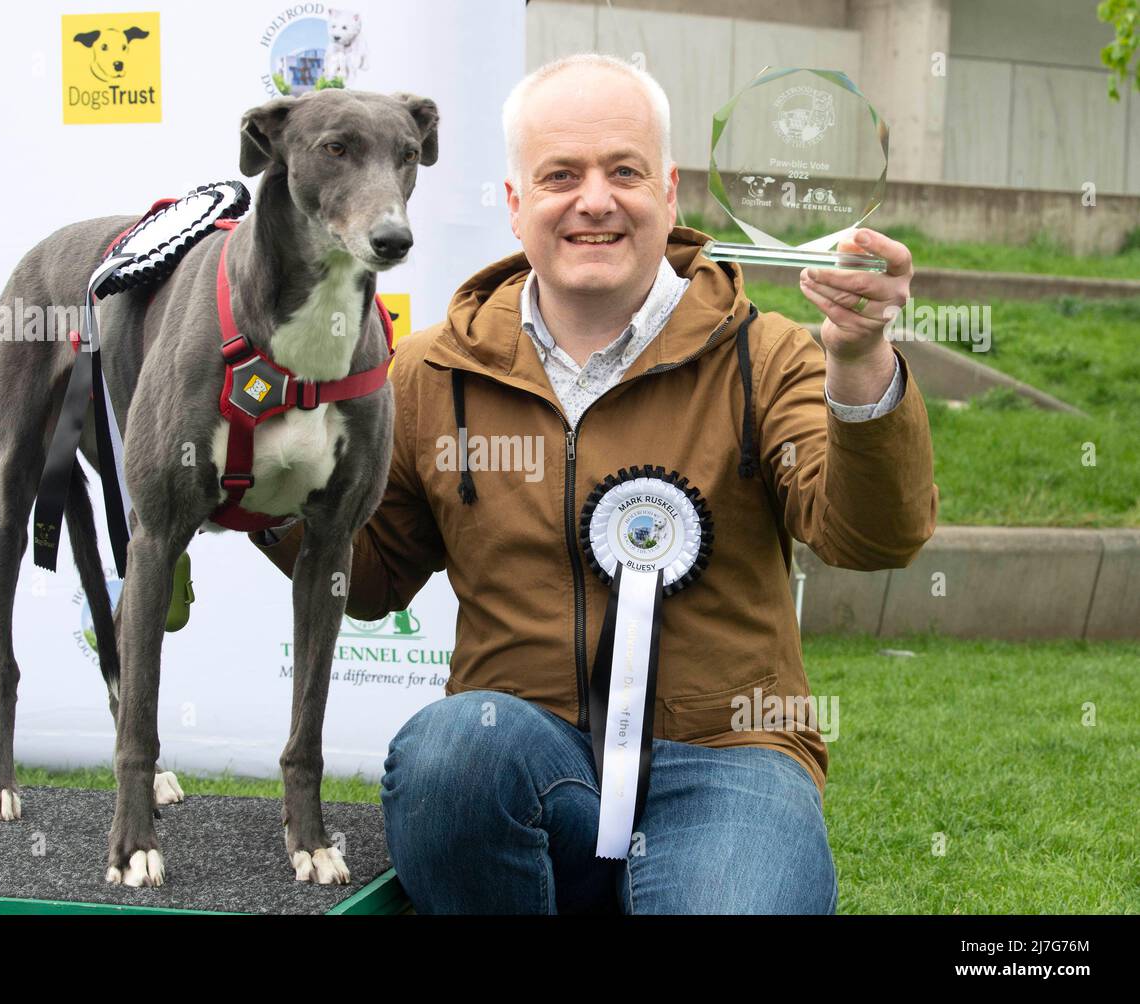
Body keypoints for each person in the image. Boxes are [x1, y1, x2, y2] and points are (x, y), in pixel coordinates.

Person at [250, 53, 938, 914]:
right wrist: (259, 489)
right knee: (452, 751)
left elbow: (873, 535)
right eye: (560, 176)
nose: (595, 200)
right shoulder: (425, 372)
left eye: (624, 171)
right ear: (514, 205)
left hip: (726, 755)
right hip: (523, 752)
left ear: (670, 191)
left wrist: (862, 358)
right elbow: (372, 574)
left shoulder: (768, 357)